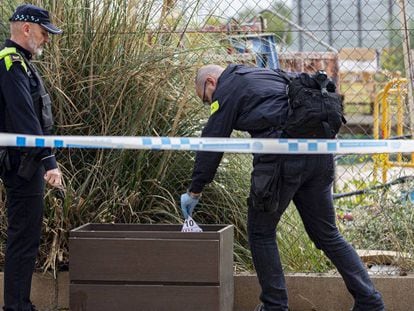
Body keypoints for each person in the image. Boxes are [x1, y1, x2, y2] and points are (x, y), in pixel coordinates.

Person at [180, 64, 385, 311]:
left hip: (281, 161)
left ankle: (274, 305)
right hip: (319, 153)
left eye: (206, 99)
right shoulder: (264, 73)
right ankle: (370, 301)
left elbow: (212, 140)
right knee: (328, 234)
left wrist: (195, 189)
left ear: (211, 82)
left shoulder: (228, 88)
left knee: (260, 232)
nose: (209, 103)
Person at [0, 4, 63, 311]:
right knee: (23, 238)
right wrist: (49, 162)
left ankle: (19, 304)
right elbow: (25, 117)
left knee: (26, 236)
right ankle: (16, 307)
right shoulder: (11, 63)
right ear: (26, 29)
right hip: (22, 165)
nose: (46, 40)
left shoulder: (20, 63)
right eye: (43, 33)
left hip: (27, 163)